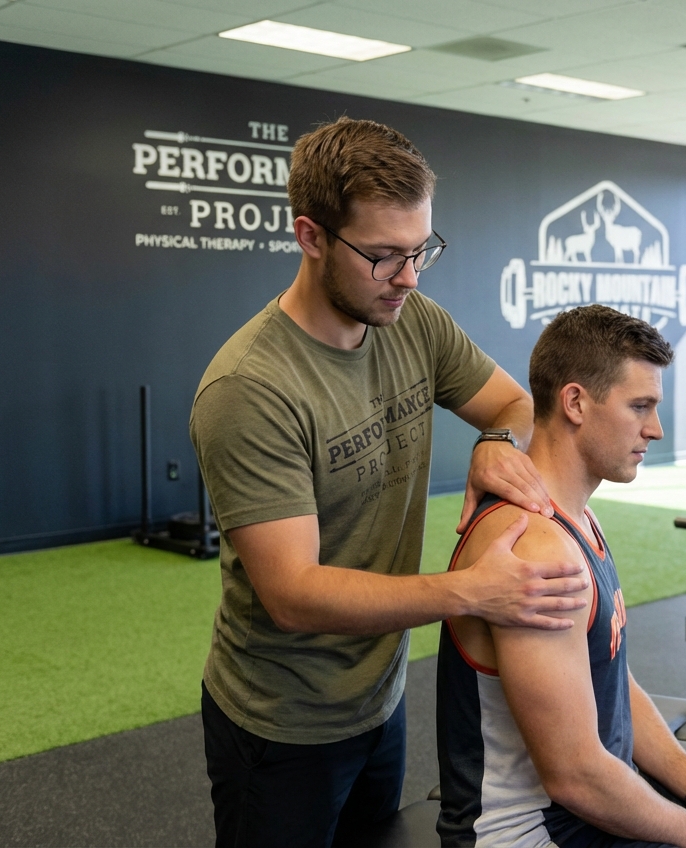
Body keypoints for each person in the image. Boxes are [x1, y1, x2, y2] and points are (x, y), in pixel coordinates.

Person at [189, 117, 592, 848]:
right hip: (283, 722)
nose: (407, 277)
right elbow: (294, 595)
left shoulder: (411, 321)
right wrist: (471, 591)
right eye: (383, 256)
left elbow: (512, 405)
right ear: (311, 237)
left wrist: (494, 444)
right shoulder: (250, 389)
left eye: (419, 252)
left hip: (382, 698)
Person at [437, 305, 686, 848]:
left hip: (596, 798)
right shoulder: (536, 550)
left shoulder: (579, 517)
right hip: (535, 831)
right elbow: (575, 777)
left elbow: (613, 682)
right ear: (576, 402)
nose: (655, 429)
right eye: (640, 407)